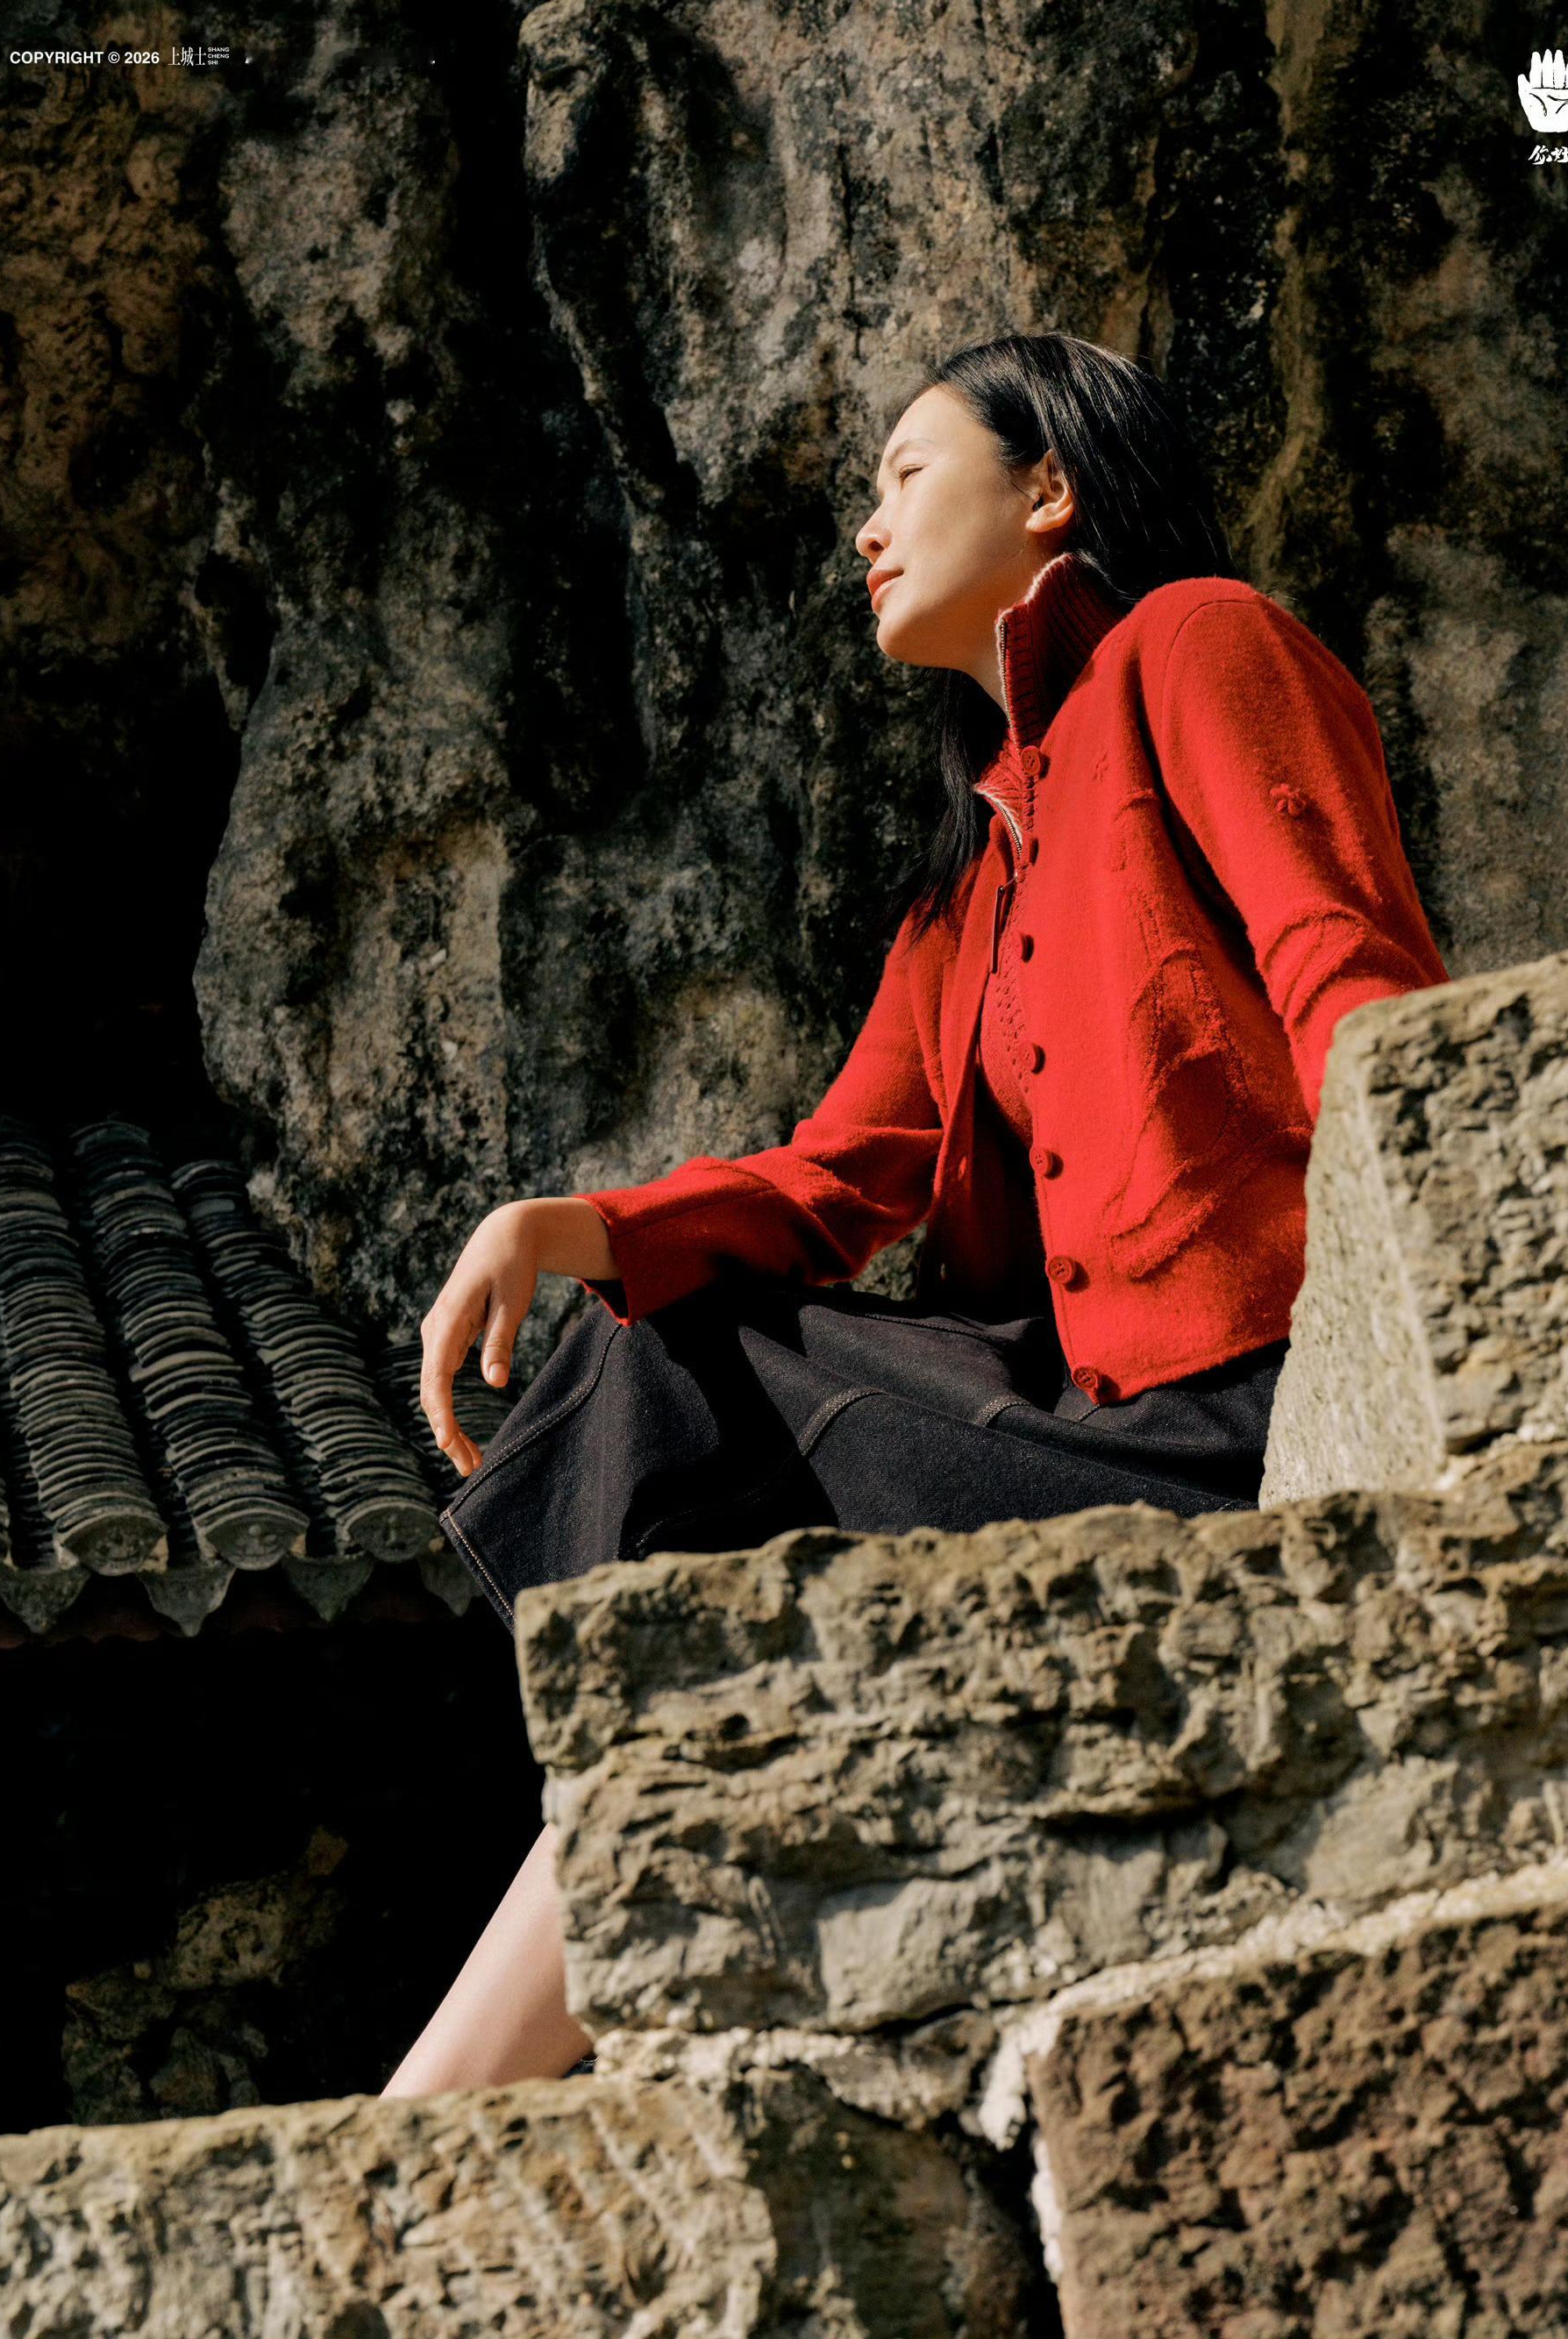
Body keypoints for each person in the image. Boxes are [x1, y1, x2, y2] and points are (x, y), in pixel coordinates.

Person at [379, 332, 1450, 2098]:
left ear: (1051, 488)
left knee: (684, 1366)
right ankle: (448, 2084)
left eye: (903, 474)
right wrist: (566, 1223)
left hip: (1246, 1415)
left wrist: (1435, 1306)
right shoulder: (971, 875)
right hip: (1077, 1426)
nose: (865, 530)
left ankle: (454, 2071)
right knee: (662, 1350)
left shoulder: (1197, 642)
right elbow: (838, 1174)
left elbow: (1343, 964)